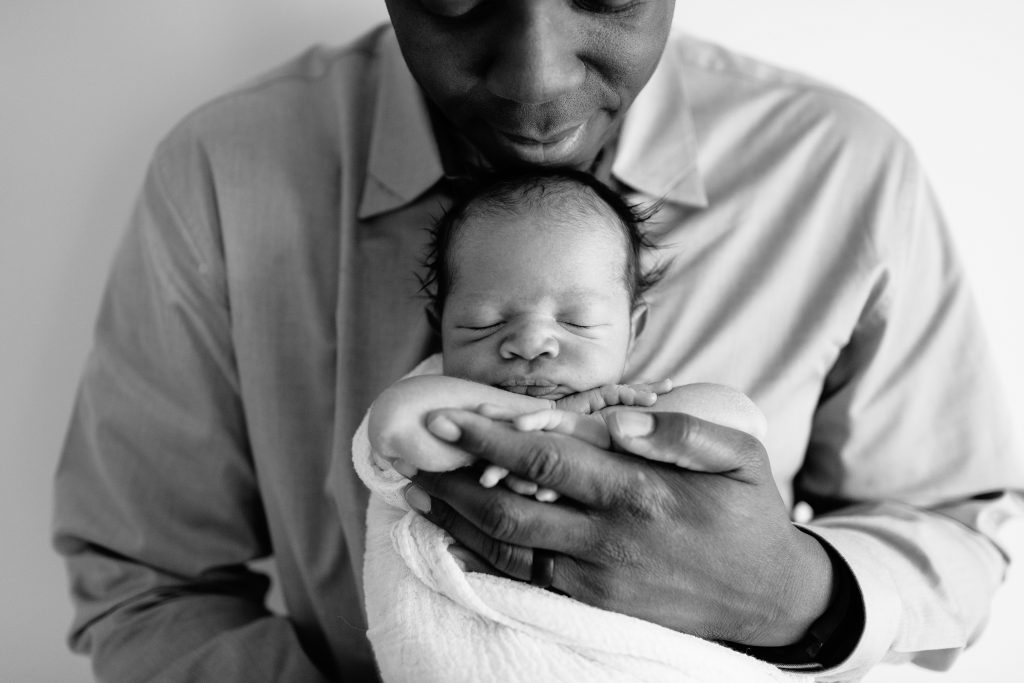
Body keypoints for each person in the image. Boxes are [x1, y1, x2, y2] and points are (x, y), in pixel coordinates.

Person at [53, 1, 1023, 681]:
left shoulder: (838, 170)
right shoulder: (226, 171)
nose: (536, 77)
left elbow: (959, 525)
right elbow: (147, 580)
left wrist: (790, 594)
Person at [351, 167, 798, 682]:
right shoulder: (438, 397)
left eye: (577, 321)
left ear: (633, 331)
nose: (532, 343)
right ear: (440, 330)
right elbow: (396, 426)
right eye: (484, 322)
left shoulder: (644, 405)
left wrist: (612, 426)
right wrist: (552, 421)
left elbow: (742, 420)